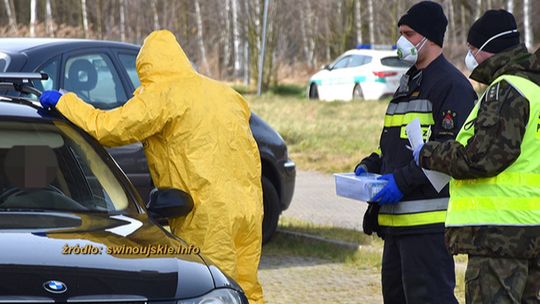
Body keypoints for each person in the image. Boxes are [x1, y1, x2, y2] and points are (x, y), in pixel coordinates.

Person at [39, 30, 264, 304]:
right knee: (247, 290)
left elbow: (109, 129)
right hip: (249, 207)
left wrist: (65, 101)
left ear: (146, 67)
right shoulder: (228, 94)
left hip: (209, 214)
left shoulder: (162, 95)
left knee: (214, 288)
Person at [414, 10, 540, 304]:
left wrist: (427, 152)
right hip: (529, 232)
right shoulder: (534, 88)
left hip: (499, 237)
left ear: (488, 49)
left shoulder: (506, 90)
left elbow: (481, 157)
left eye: (472, 49)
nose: (469, 56)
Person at [354, 1, 476, 303]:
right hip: (395, 227)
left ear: (429, 37)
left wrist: (400, 183)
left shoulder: (452, 86)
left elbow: (445, 155)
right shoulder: (407, 84)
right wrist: (370, 166)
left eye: (408, 34)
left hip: (427, 230)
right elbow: (395, 148)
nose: (401, 41)